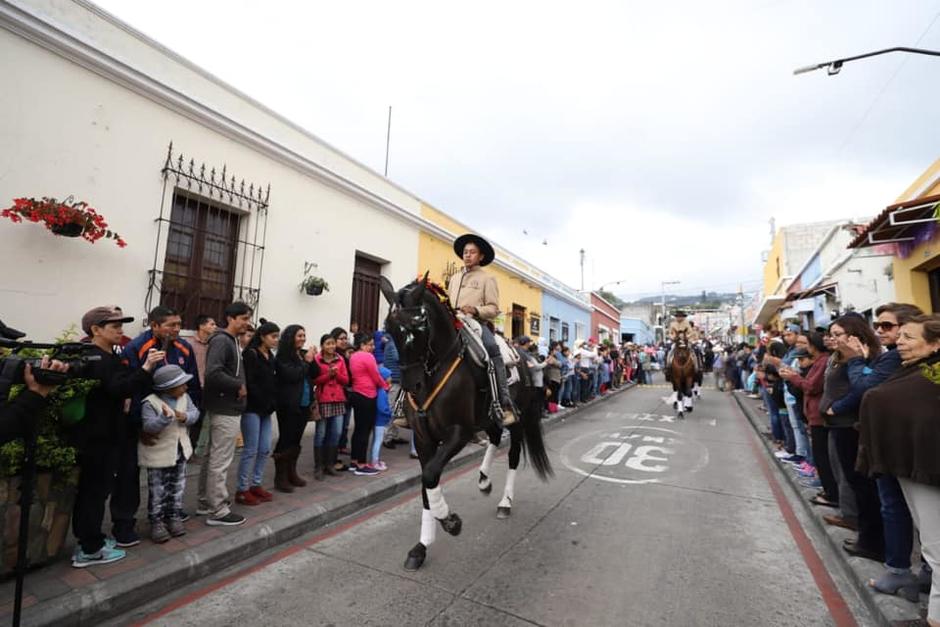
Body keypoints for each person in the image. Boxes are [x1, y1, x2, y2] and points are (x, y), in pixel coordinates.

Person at [857, 314, 940, 622]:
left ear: (935, 344)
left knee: (936, 547)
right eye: (899, 336)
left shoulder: (933, 374)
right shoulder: (914, 370)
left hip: (928, 467)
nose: (899, 343)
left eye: (908, 337)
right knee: (932, 546)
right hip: (912, 465)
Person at [71, 306, 162, 567]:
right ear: (95, 330)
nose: (121, 330)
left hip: (109, 433)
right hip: (97, 437)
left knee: (97, 491)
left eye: (121, 325)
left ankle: (91, 540)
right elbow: (118, 388)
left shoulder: (109, 355)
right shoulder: (94, 358)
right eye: (114, 326)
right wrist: (146, 368)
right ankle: (89, 548)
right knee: (93, 492)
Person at [116, 305, 201, 547]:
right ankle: (129, 524)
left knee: (176, 478)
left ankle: (172, 514)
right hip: (146, 424)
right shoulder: (136, 348)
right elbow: (131, 390)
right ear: (154, 325)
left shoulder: (184, 348)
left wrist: (191, 420)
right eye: (171, 325)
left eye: (178, 324)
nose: (177, 329)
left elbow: (192, 387)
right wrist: (142, 426)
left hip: (178, 429)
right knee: (137, 477)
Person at [821, 315, 884, 560]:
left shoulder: (865, 359)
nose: (833, 339)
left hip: (851, 426)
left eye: (838, 334)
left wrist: (837, 407)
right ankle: (864, 533)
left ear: (854, 334)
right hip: (837, 425)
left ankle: (871, 541)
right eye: (832, 334)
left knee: (863, 485)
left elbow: (862, 388)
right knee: (851, 480)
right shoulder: (839, 358)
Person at [447, 233, 516, 427]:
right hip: (453, 322)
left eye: (472, 252)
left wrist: (475, 309)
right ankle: (403, 405)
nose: (467, 255)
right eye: (465, 252)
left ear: (481, 256)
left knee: (493, 350)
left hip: (476, 324)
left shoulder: (488, 279)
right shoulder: (454, 278)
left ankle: (504, 402)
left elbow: (493, 309)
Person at [197, 301, 252, 527]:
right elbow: (212, 373)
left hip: (226, 406)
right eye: (243, 319)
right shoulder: (222, 341)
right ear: (230, 318)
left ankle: (205, 502)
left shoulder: (230, 342)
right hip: (225, 407)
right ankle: (218, 509)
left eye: (248, 319)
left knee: (212, 458)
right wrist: (237, 385)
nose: (247, 323)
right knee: (220, 459)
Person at [139, 365, 199, 543]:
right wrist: (163, 419)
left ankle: (173, 515)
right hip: (159, 455)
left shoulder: (185, 398)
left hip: (180, 452)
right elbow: (148, 426)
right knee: (158, 489)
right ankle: (156, 521)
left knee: (177, 487)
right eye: (182, 385)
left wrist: (186, 417)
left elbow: (195, 413)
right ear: (169, 387)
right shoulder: (150, 402)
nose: (186, 388)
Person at [236, 319, 279, 505]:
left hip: (267, 409)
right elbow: (251, 382)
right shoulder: (251, 354)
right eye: (273, 336)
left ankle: (256, 484)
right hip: (252, 408)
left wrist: (272, 402)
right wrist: (263, 400)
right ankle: (242, 489)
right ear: (262, 337)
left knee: (264, 448)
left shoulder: (270, 355)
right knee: (250, 450)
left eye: (277, 336)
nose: (276, 340)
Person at [273, 325, 319, 492]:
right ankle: (280, 478)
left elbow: (315, 373)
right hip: (288, 404)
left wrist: (312, 359)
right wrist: (306, 361)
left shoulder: (302, 354)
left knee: (296, 440)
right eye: (299, 335)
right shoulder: (283, 356)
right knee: (286, 439)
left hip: (304, 403)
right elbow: (291, 375)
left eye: (304, 335)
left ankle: (292, 473)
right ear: (291, 337)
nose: (303, 338)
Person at [347, 332, 389, 476]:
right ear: (362, 345)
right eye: (369, 344)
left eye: (373, 344)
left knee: (358, 429)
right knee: (365, 430)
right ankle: (362, 464)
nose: (372, 347)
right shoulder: (367, 356)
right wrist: (385, 386)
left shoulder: (353, 356)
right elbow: (376, 375)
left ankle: (354, 461)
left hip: (357, 393)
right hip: (367, 394)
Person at [313, 333, 349, 479]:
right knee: (321, 434)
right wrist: (328, 374)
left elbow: (346, 380)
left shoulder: (340, 360)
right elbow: (314, 380)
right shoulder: (317, 359)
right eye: (328, 344)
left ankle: (330, 464)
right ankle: (319, 467)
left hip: (338, 400)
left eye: (333, 343)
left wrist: (336, 374)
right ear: (322, 345)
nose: (331, 346)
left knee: (336, 433)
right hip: (323, 400)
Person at [188, 313, 216, 445]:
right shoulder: (189, 343)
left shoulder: (213, 344)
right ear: (201, 326)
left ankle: (192, 448)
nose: (214, 327)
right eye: (211, 324)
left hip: (207, 387)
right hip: (190, 386)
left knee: (200, 419)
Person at [370, 365, 393, 471]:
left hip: (377, 419)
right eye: (389, 376)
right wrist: (390, 414)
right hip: (380, 421)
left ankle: (375, 459)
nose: (391, 378)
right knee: (378, 440)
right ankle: (375, 462)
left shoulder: (381, 389)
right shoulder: (382, 391)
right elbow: (383, 408)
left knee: (376, 440)